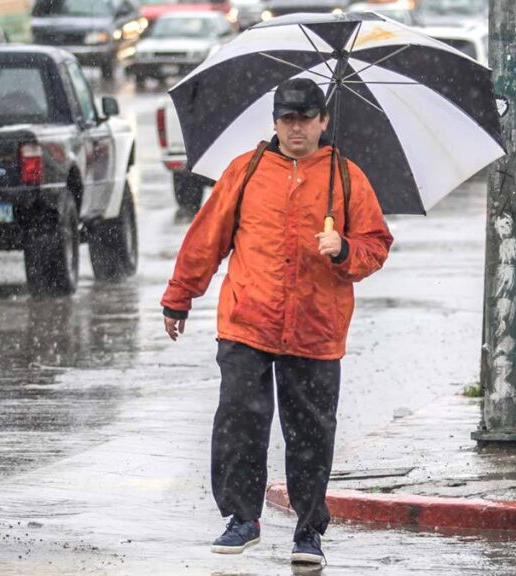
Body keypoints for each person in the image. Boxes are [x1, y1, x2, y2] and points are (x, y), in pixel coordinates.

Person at [160, 78, 394, 566]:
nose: (296, 128)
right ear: (275, 122)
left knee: (310, 433)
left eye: (306, 119)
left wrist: (345, 250)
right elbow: (207, 239)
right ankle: (242, 518)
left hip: (316, 327)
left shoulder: (346, 177)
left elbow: (376, 244)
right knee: (241, 418)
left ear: (323, 121)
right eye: (288, 119)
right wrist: (179, 297)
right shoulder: (245, 172)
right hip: (249, 319)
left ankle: (308, 531)